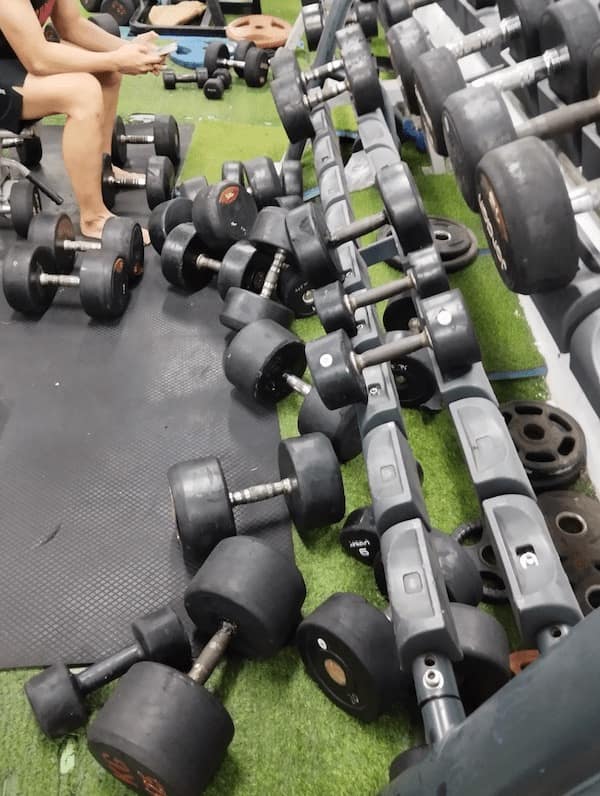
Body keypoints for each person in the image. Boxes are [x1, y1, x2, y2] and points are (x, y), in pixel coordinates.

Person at [0, 0, 167, 240]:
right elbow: (38, 59)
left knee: (106, 72)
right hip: (22, 60)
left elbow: (72, 25)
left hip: (14, 58)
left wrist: (129, 49)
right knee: (83, 92)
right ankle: (94, 218)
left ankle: (102, 168)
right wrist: (117, 59)